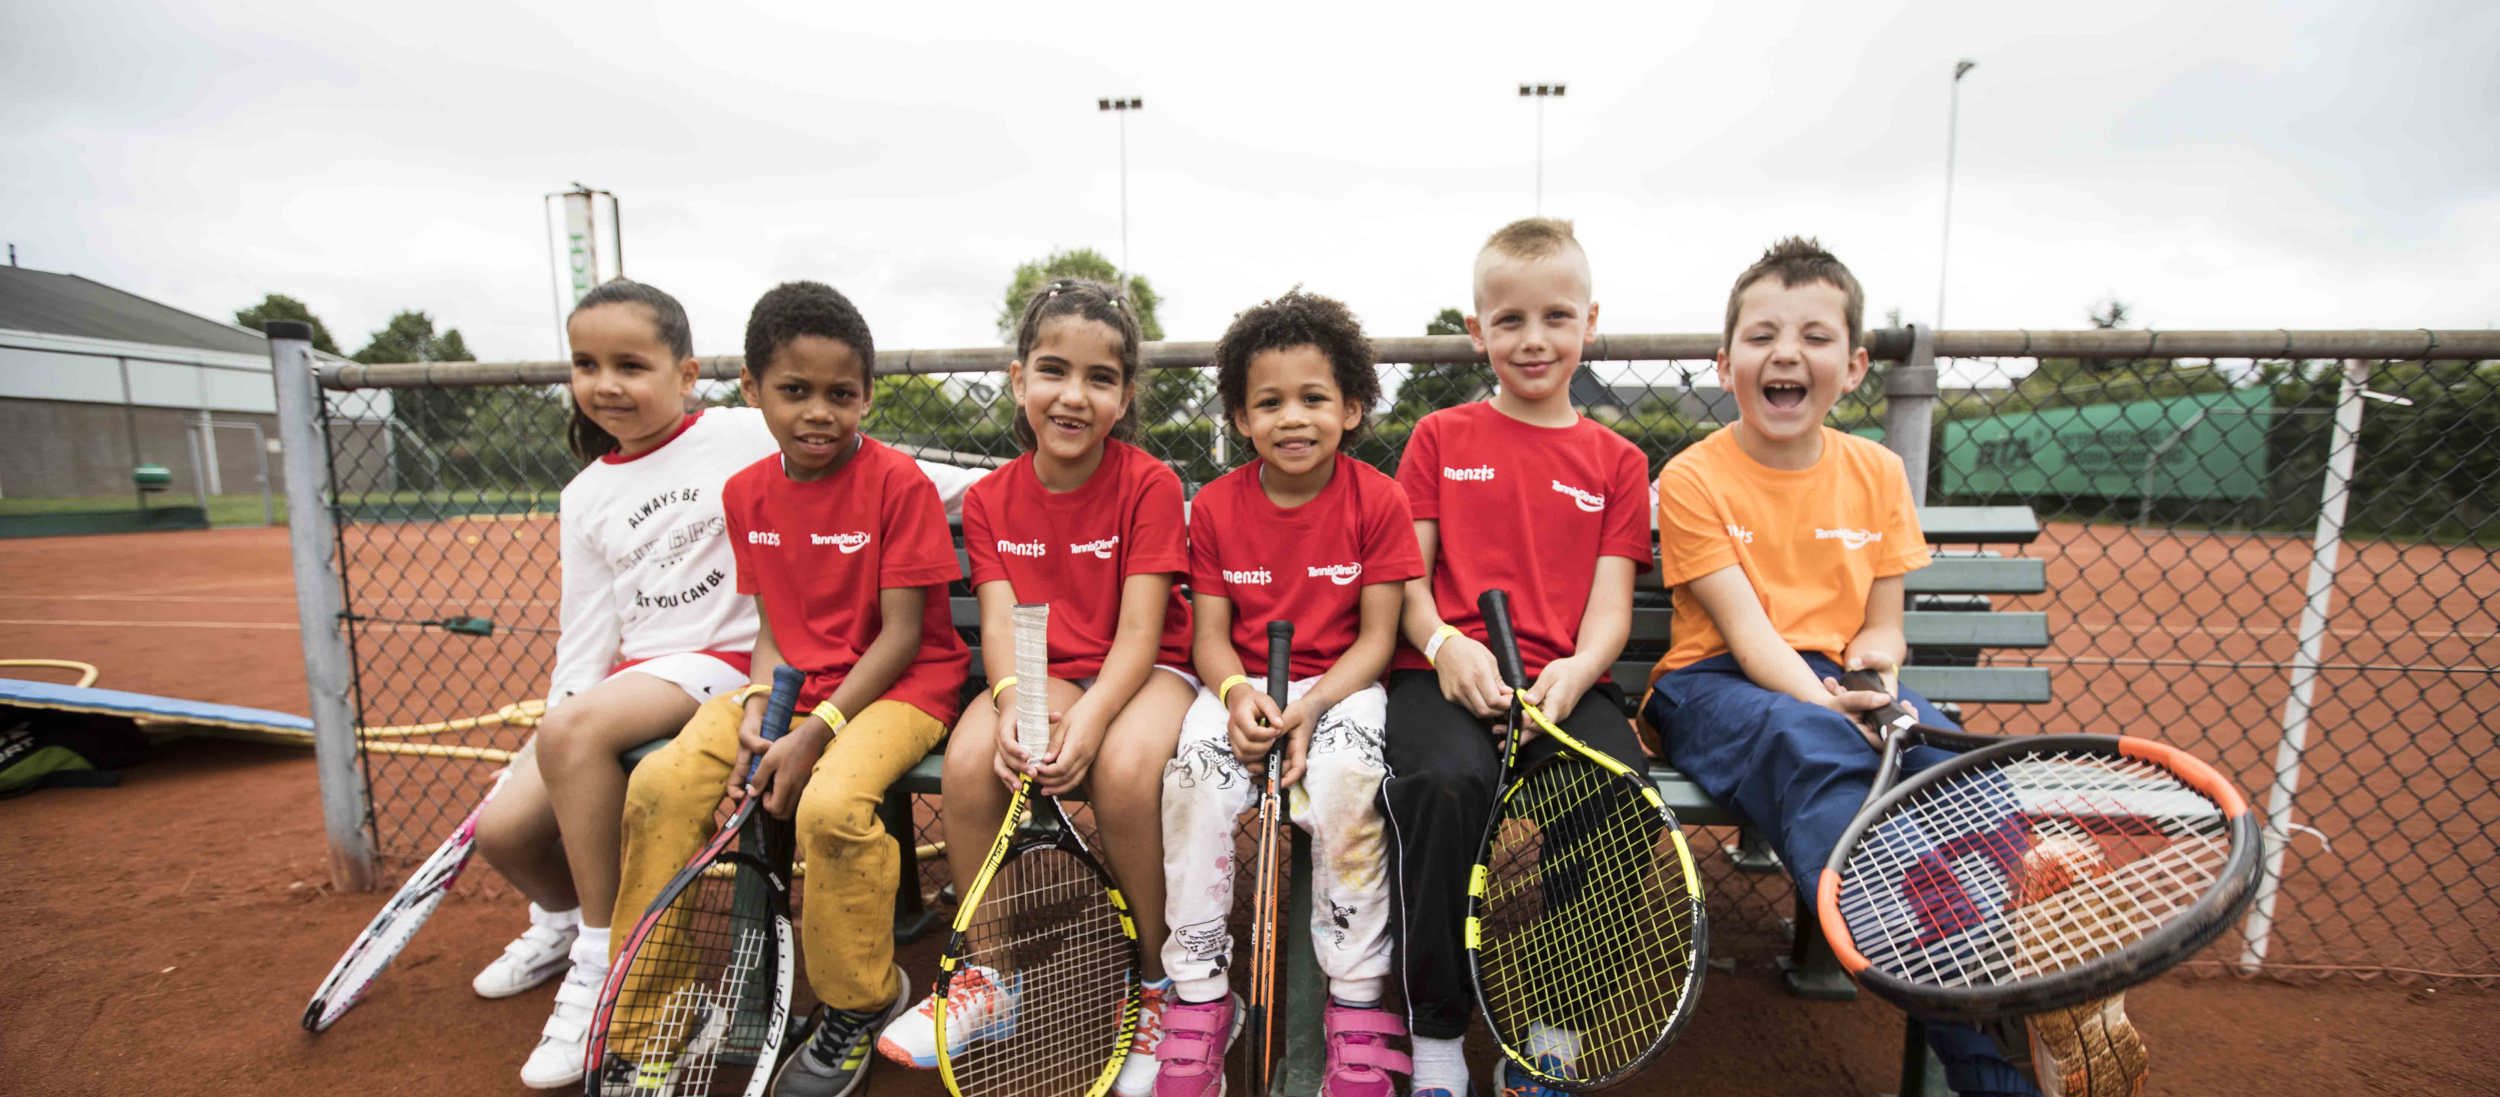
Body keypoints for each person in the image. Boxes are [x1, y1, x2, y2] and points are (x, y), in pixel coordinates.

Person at [1640, 236, 2039, 1096]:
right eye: (1763, 335)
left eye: (1815, 336)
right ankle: (1970, 1042)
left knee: (1955, 765)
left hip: (1832, 679)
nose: (1787, 353)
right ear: (1725, 362)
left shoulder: (1880, 471)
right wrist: (1836, 704)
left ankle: (2005, 974)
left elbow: (1884, 629)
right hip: (1714, 684)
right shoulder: (1692, 476)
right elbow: (1748, 641)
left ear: (1855, 365)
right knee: (1811, 743)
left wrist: (1879, 683)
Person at [604, 280, 969, 1097]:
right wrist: (763, 721)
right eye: (794, 390)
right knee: (661, 782)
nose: (818, 412)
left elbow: (904, 637)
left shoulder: (897, 483)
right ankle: (652, 1017)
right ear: (751, 389)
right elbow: (773, 632)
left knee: (830, 806)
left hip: (903, 690)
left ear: (867, 395)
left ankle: (858, 1001)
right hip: (793, 694)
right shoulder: (745, 494)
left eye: (841, 394)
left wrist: (816, 730)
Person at [876, 278, 1194, 1097]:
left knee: (1122, 768)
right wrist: (1015, 703)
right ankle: (993, 977)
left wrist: (1086, 719)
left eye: (1099, 378)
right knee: (975, 752)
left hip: (1152, 667)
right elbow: (1004, 623)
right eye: (1053, 371)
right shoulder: (987, 500)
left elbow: (1140, 634)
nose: (1073, 396)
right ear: (1019, 381)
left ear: (1124, 397)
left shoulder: (1149, 483)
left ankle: (1157, 983)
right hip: (1048, 671)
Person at [471, 278, 778, 1091]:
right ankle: (564, 916)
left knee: (571, 732)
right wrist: (548, 733)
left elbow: (886, 471)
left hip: (728, 662)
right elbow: (587, 636)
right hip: (634, 677)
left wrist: (1028, 486)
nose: (606, 383)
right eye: (586, 363)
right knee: (501, 830)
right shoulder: (585, 494)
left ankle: (609, 963)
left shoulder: (748, 433)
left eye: (630, 364)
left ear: (687, 373)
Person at [1382, 219, 1656, 1097]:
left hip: (1565, 683)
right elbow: (1408, 582)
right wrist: (1444, 642)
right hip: (1446, 676)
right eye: (1508, 321)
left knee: (1615, 792)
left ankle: (1550, 1027)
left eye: (1555, 317)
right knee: (1443, 786)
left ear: (1589, 322)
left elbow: (1610, 612)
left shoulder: (1618, 462)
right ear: (1477, 331)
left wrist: (1576, 671)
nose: (1532, 340)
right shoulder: (1438, 437)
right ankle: (1434, 1035)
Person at [1150, 290, 1417, 1097]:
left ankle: (1358, 1002)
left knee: (1344, 787)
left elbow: (1377, 641)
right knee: (1192, 781)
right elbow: (1209, 636)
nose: (1292, 418)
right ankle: (1199, 998)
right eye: (1269, 402)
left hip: (1344, 685)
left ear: (1353, 406)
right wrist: (1233, 693)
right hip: (1240, 687)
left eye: (1313, 398)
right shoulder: (1220, 506)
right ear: (1239, 416)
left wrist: (1313, 705)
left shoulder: (1381, 499)